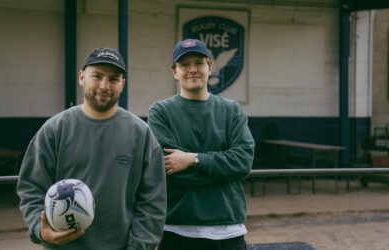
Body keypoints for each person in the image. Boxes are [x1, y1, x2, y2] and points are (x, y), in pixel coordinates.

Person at [17, 47, 166, 249]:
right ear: (81, 77)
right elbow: (31, 187)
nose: (104, 85)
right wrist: (39, 228)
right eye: (97, 76)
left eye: (113, 79)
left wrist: (140, 246)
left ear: (122, 85)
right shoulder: (55, 129)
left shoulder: (141, 134)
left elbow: (153, 200)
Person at [147, 39, 255, 250]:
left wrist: (193, 160)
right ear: (174, 71)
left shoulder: (231, 110)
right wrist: (222, 171)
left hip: (228, 230)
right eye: (185, 64)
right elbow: (168, 168)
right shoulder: (160, 111)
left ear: (210, 67)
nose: (193, 69)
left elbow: (242, 163)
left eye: (199, 62)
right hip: (176, 229)